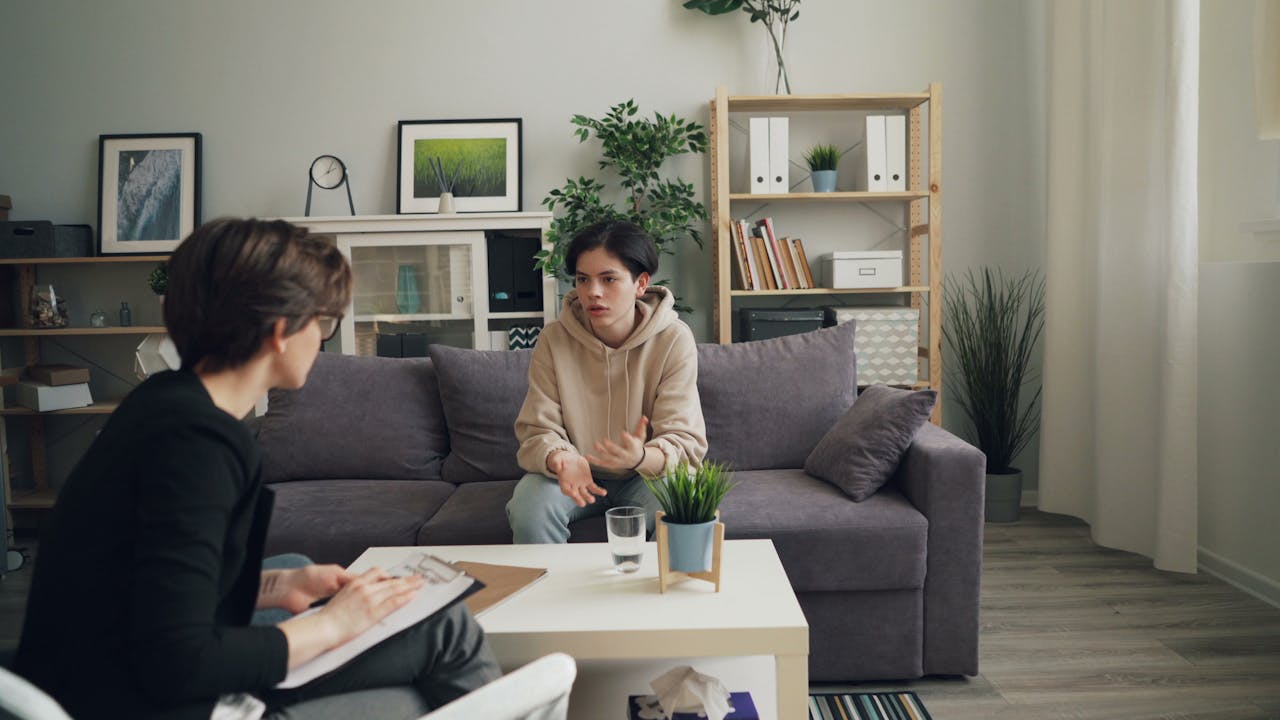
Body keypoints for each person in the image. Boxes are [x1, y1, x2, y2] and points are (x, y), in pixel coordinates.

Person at [15, 218, 500, 720]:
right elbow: (176, 662)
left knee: (303, 574)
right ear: (279, 332)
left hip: (98, 675)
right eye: (324, 321)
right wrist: (331, 626)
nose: (324, 337)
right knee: (424, 675)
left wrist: (278, 588)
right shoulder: (198, 447)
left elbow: (154, 583)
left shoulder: (164, 404)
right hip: (142, 703)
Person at [507, 220, 708, 543]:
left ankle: (664, 591)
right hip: (573, 472)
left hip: (647, 475)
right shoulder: (554, 339)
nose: (593, 292)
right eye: (583, 279)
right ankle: (549, 593)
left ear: (641, 283)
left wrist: (641, 457)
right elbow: (537, 427)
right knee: (531, 507)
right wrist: (563, 457)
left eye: (609, 279)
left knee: (687, 500)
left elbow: (683, 438)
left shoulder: (673, 339)